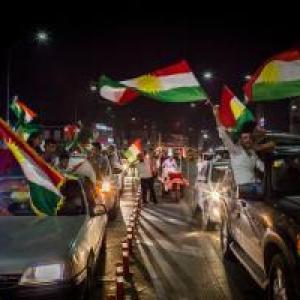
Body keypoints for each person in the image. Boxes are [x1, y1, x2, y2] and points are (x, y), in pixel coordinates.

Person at [213, 105, 264, 195]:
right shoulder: (235, 151)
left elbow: (263, 167)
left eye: (249, 137)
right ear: (240, 140)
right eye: (245, 138)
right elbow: (223, 134)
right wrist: (217, 115)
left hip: (256, 187)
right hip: (242, 190)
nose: (248, 140)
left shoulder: (253, 153)